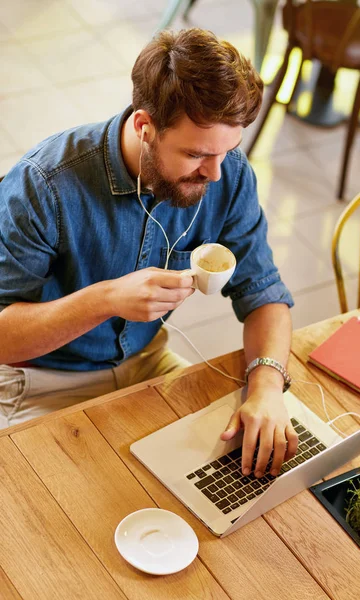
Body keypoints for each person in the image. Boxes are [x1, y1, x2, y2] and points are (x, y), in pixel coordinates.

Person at [0, 28, 297, 476]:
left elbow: (263, 292)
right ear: (144, 126)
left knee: (227, 473)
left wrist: (268, 387)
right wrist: (107, 299)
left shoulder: (227, 172)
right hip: (38, 382)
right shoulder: (44, 186)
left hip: (146, 362)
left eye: (227, 151)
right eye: (197, 154)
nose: (216, 174)